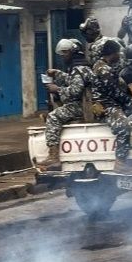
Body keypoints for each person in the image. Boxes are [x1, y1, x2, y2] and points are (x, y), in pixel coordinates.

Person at [37, 39, 94, 170]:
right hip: (85, 104)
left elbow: (75, 92)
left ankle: (53, 157)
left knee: (53, 116)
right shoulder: (82, 67)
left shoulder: (78, 69)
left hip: (82, 106)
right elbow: (72, 81)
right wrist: (57, 73)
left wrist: (56, 89)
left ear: (72, 52)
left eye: (65, 53)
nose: (63, 56)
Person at [91, 40, 132, 175]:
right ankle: (120, 162)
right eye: (118, 53)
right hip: (106, 106)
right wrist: (131, 102)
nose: (119, 56)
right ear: (113, 53)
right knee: (123, 126)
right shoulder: (103, 69)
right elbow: (114, 93)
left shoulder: (104, 66)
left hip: (110, 103)